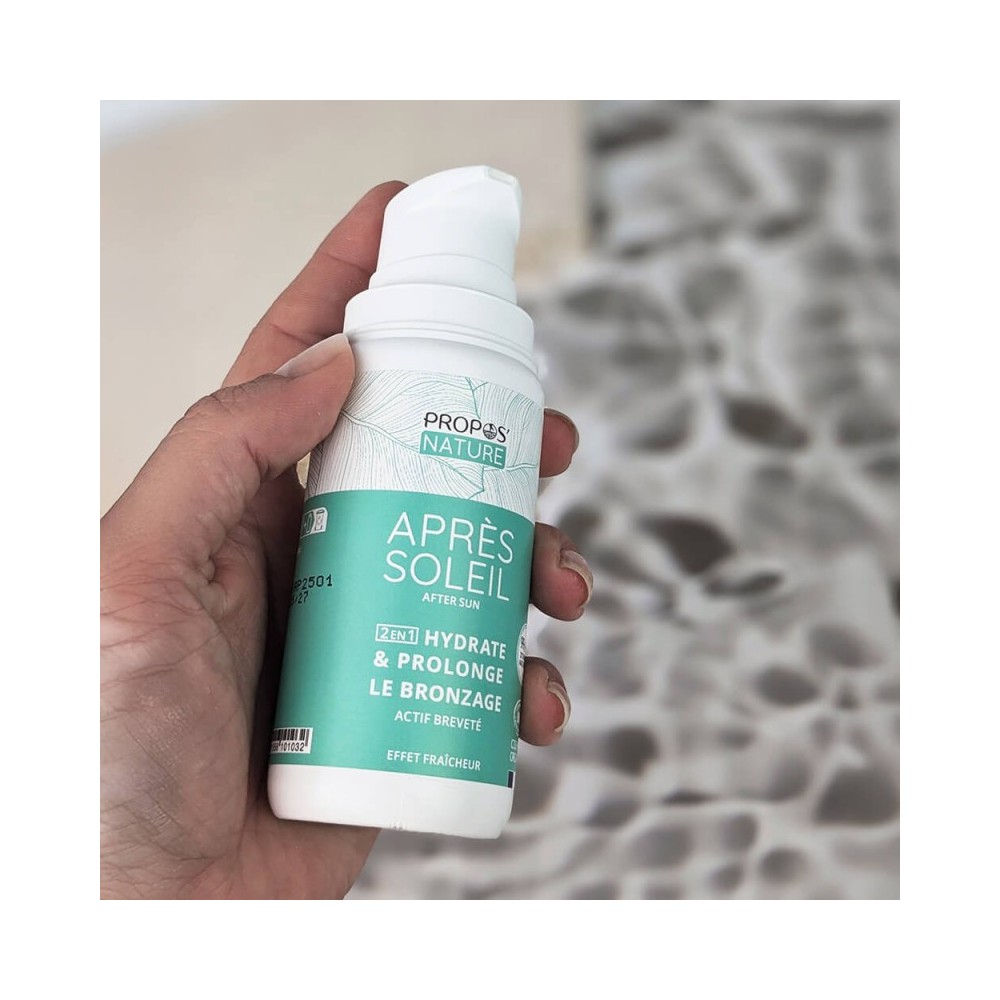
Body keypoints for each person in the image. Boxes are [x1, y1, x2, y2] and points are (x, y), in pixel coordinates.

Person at [100, 182, 591, 899]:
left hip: (379, 760)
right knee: (485, 551)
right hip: (281, 767)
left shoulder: (498, 384)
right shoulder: (374, 369)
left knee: (485, 554)